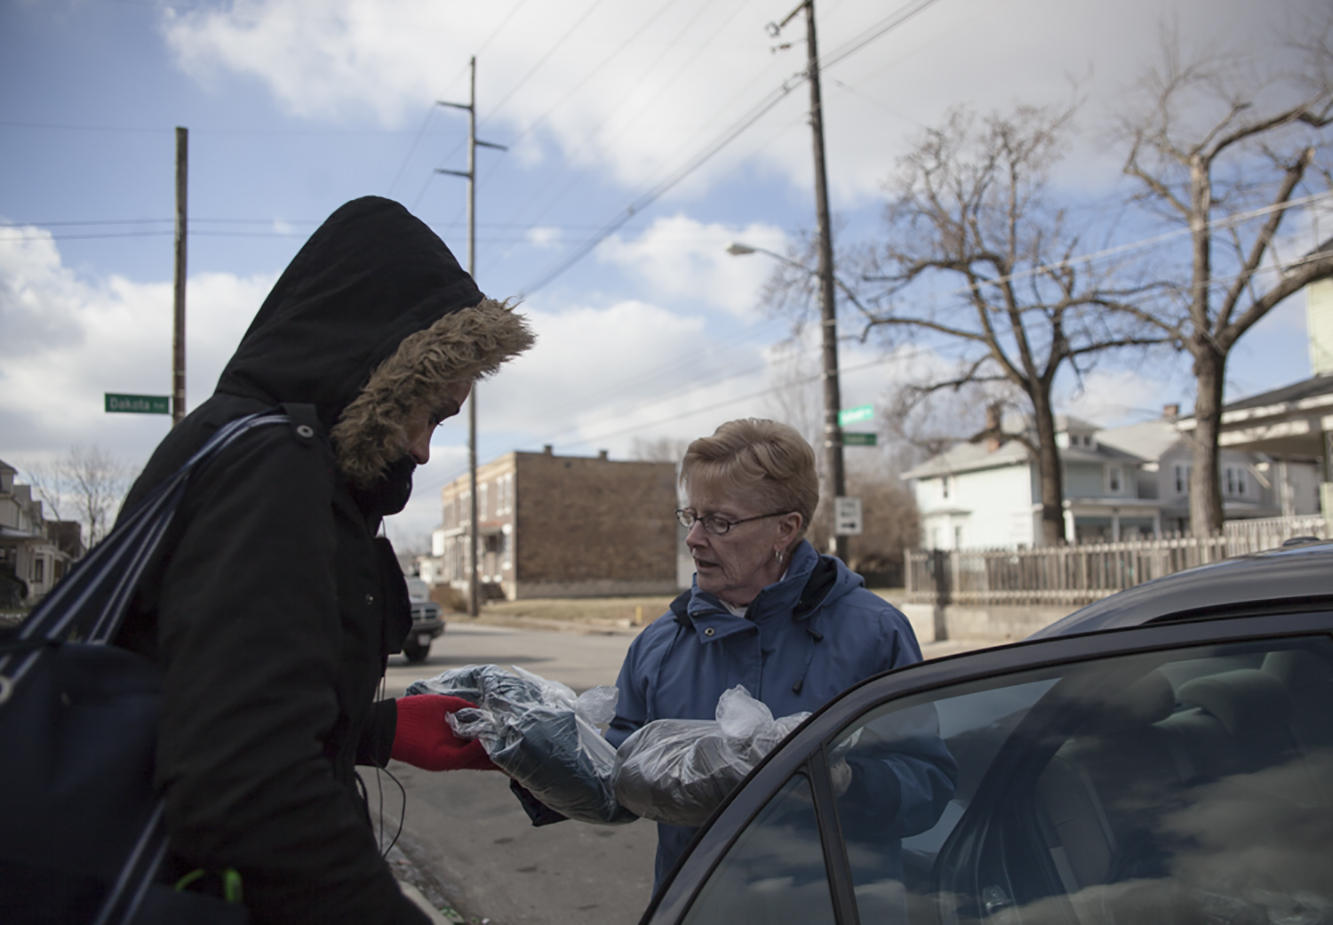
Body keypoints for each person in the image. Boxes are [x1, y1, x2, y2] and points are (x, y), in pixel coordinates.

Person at [114, 196, 534, 924]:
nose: (425, 448)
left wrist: (381, 729)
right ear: (378, 374)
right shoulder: (274, 469)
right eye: (428, 412)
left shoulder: (245, 445)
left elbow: (208, 698)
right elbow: (247, 791)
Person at [607, 417, 956, 890]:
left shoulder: (873, 633)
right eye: (692, 517)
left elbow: (927, 785)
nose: (694, 538)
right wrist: (531, 751)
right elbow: (610, 777)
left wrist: (842, 781)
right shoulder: (660, 644)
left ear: (785, 528)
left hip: (838, 906)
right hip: (699, 908)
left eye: (719, 522)